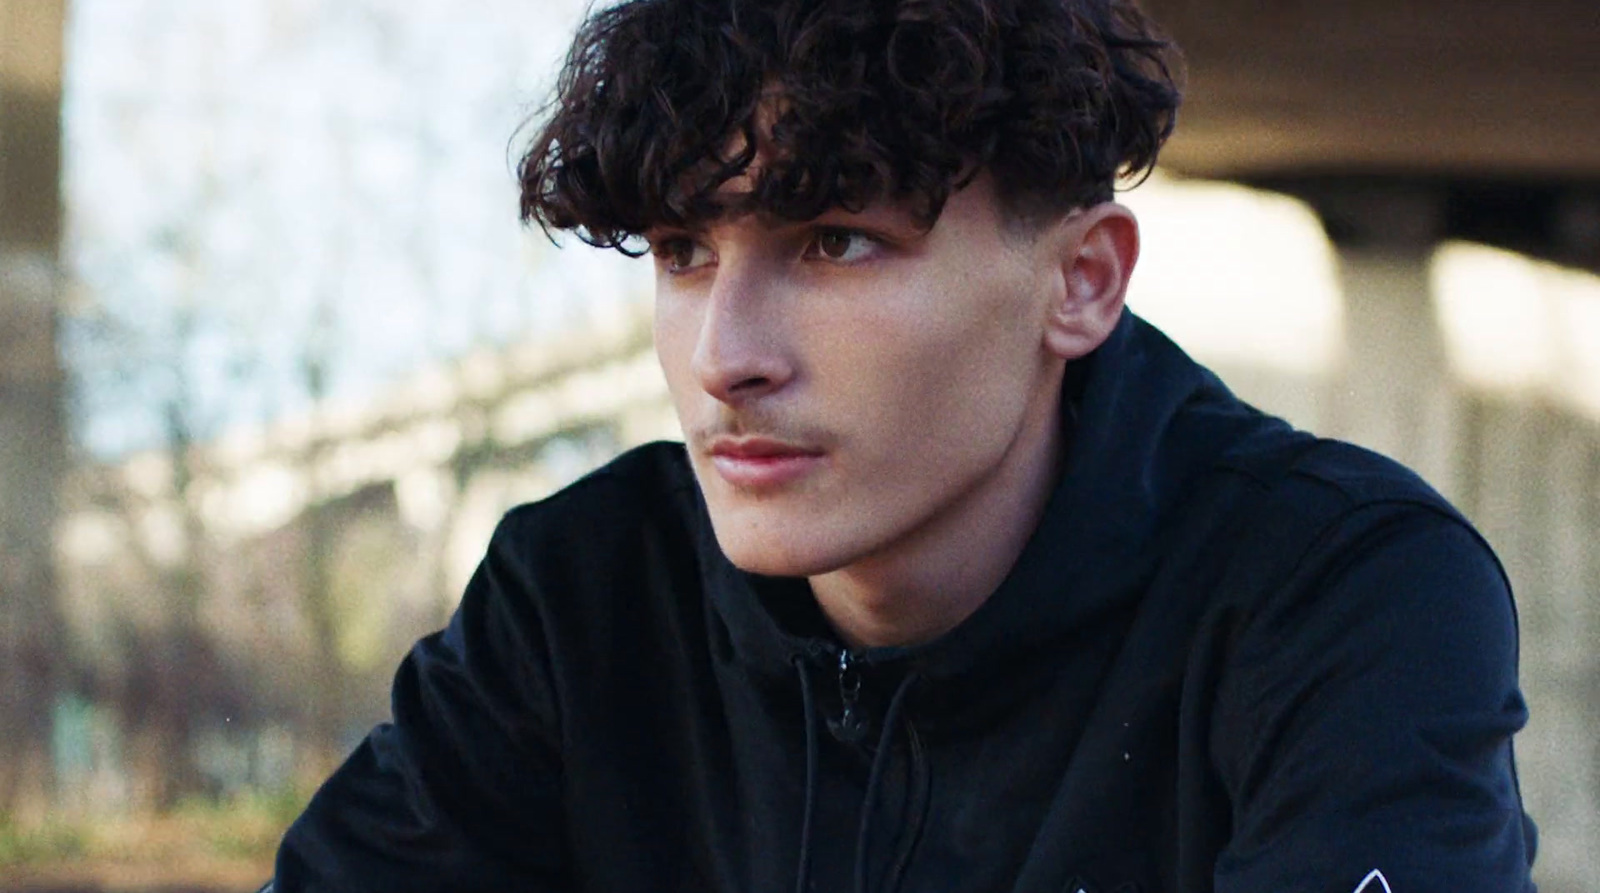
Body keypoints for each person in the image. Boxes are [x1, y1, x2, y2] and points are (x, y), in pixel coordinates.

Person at [262, 0, 1539, 890]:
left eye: (834, 242)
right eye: (682, 253)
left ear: (1080, 282)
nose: (725, 354)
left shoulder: (1336, 589)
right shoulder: (584, 595)